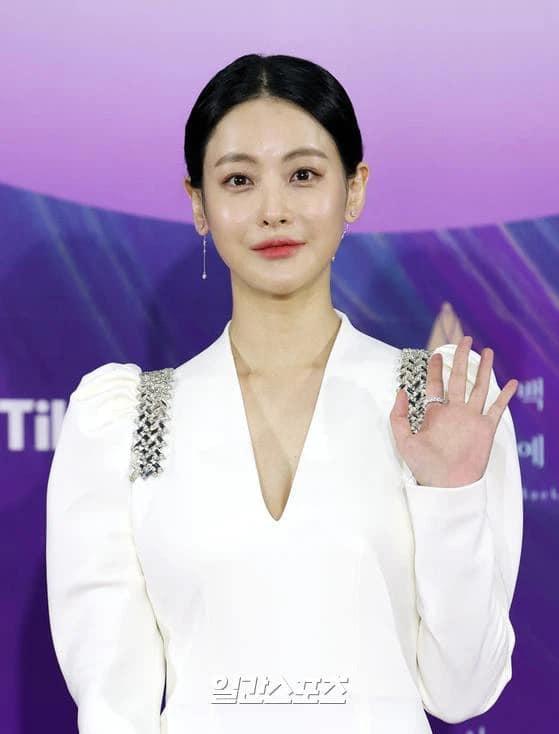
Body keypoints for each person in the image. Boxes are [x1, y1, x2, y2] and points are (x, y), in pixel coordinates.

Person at [45, 53, 523, 734]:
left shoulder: (437, 400)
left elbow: (463, 690)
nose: (273, 211)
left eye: (303, 175)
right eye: (238, 180)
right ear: (198, 204)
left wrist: (449, 496)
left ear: (354, 189)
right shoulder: (132, 422)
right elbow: (114, 706)